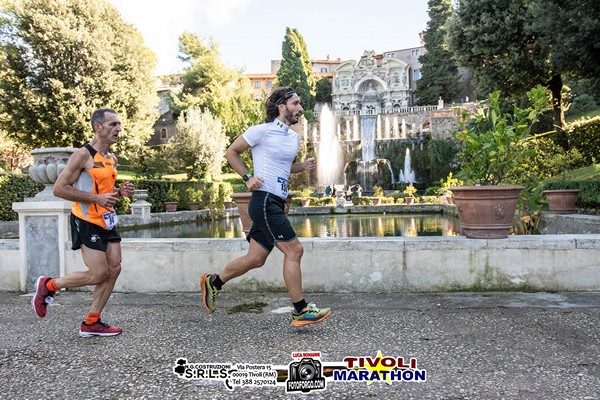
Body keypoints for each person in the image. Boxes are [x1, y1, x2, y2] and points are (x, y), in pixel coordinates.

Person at [200, 87, 331, 327]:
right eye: (295, 104)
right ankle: (300, 310)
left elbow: (285, 168)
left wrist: (303, 166)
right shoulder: (261, 131)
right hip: (263, 200)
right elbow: (232, 152)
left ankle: (214, 282)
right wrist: (247, 177)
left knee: (256, 258)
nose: (300, 108)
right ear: (282, 107)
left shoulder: (293, 137)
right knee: (295, 250)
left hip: (277, 201)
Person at [31, 108, 134, 337]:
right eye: (112, 124)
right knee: (98, 274)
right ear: (98, 127)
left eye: (119, 124)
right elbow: (59, 189)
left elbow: (104, 192)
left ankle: (92, 322)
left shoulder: (111, 158)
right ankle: (48, 286)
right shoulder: (82, 155)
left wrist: (119, 192)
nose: (118, 129)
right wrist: (96, 198)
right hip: (86, 220)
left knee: (114, 268)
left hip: (106, 221)